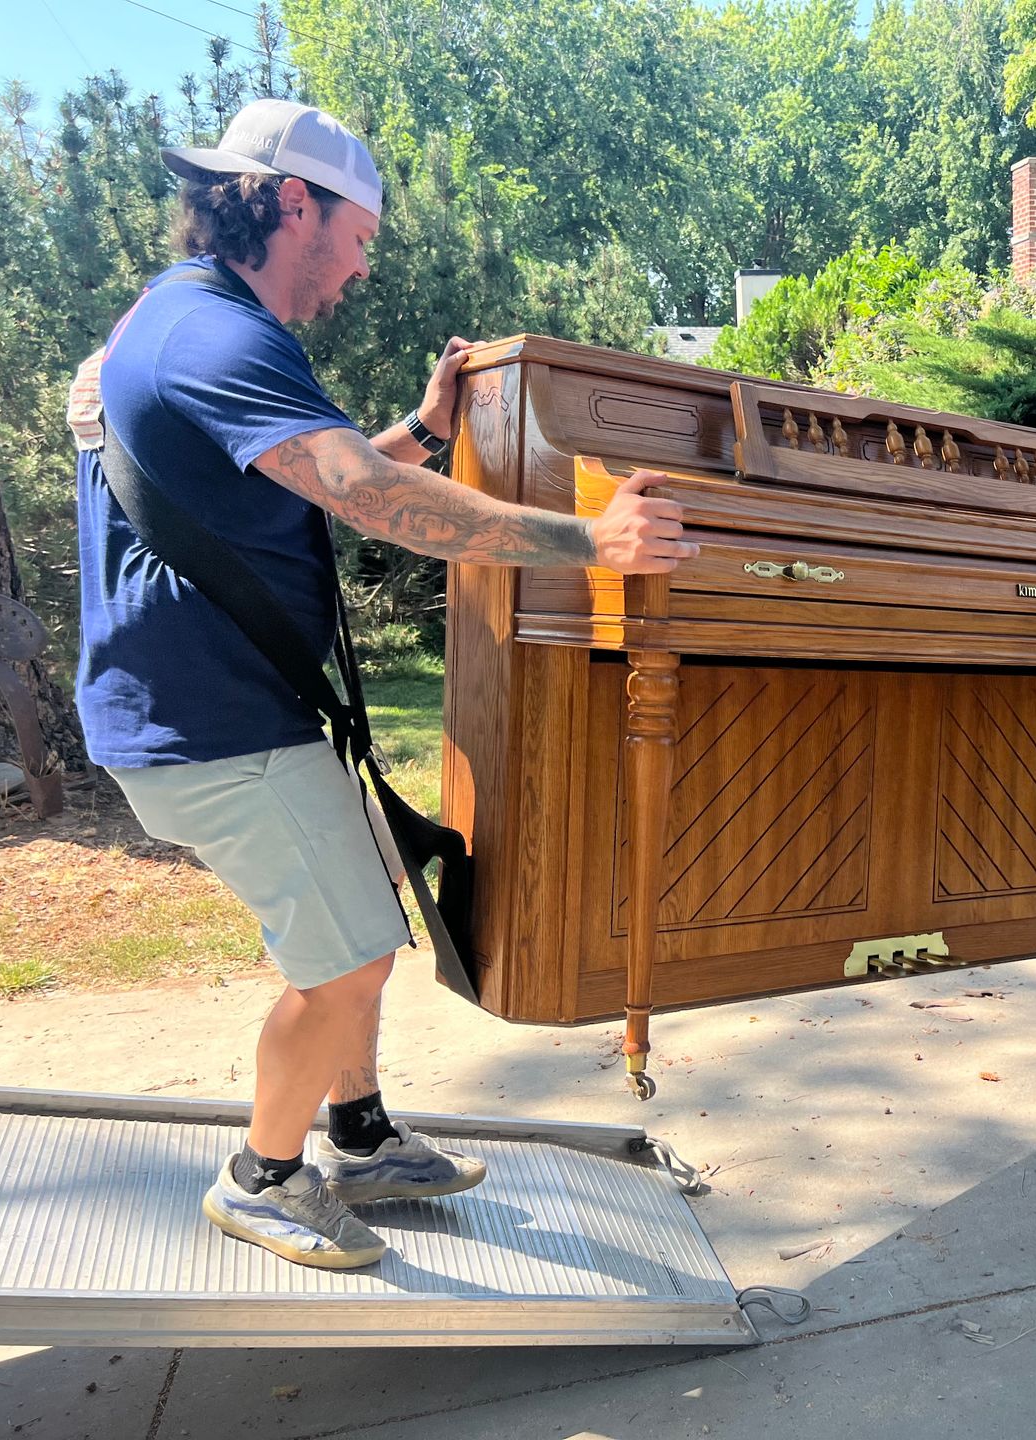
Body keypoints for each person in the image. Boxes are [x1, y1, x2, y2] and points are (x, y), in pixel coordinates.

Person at [67, 99, 695, 1269]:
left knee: (361, 913)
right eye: (359, 236)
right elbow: (359, 494)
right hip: (211, 728)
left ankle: (356, 1135)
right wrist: (590, 545)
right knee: (349, 952)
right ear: (291, 203)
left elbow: (303, 476)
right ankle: (263, 1176)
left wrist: (419, 425)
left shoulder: (175, 321)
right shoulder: (218, 337)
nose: (361, 267)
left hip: (212, 710)